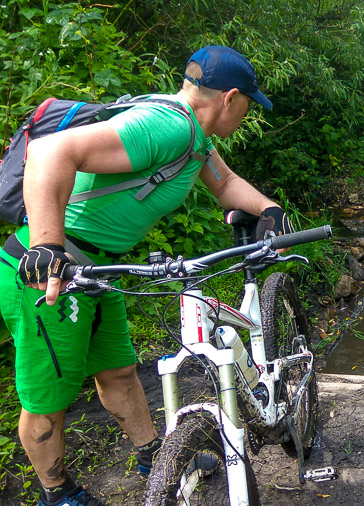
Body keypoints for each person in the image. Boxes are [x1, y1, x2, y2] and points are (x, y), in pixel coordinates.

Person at [0, 45, 294, 506]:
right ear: (230, 98)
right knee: (46, 401)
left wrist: (269, 210)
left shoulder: (193, 138)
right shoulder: (168, 126)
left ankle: (154, 455)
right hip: (47, 277)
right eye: (248, 104)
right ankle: (58, 495)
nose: (246, 112)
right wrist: (46, 247)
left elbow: (223, 182)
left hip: (95, 268)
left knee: (118, 371)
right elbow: (48, 151)